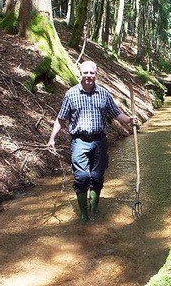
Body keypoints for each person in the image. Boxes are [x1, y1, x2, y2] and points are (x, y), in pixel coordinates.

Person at [47, 60, 137, 223]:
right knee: (81, 177)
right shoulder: (71, 94)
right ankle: (83, 214)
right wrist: (52, 139)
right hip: (79, 141)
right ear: (80, 74)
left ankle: (93, 209)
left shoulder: (104, 94)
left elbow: (117, 114)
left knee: (97, 177)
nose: (88, 76)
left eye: (91, 73)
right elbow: (60, 119)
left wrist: (130, 120)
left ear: (96, 74)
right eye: (85, 73)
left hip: (99, 141)